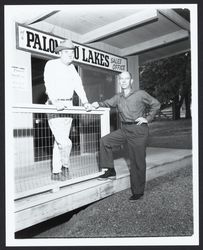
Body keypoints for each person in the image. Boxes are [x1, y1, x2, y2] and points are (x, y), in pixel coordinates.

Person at [92, 71, 160, 201]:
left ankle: (138, 191)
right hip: (125, 129)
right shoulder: (118, 97)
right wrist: (96, 104)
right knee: (105, 141)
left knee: (136, 162)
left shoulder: (140, 94)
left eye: (126, 78)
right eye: (121, 79)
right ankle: (110, 170)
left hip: (139, 130)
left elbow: (156, 104)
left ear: (131, 81)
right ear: (119, 81)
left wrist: (148, 118)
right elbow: (107, 103)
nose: (123, 81)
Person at [44, 39, 92, 181]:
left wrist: (85, 102)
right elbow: (48, 83)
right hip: (55, 106)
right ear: (60, 53)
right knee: (65, 142)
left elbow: (78, 85)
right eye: (66, 52)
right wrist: (54, 101)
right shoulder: (51, 64)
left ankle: (56, 172)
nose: (70, 55)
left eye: (72, 52)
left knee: (59, 141)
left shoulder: (72, 67)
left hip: (69, 106)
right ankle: (65, 166)